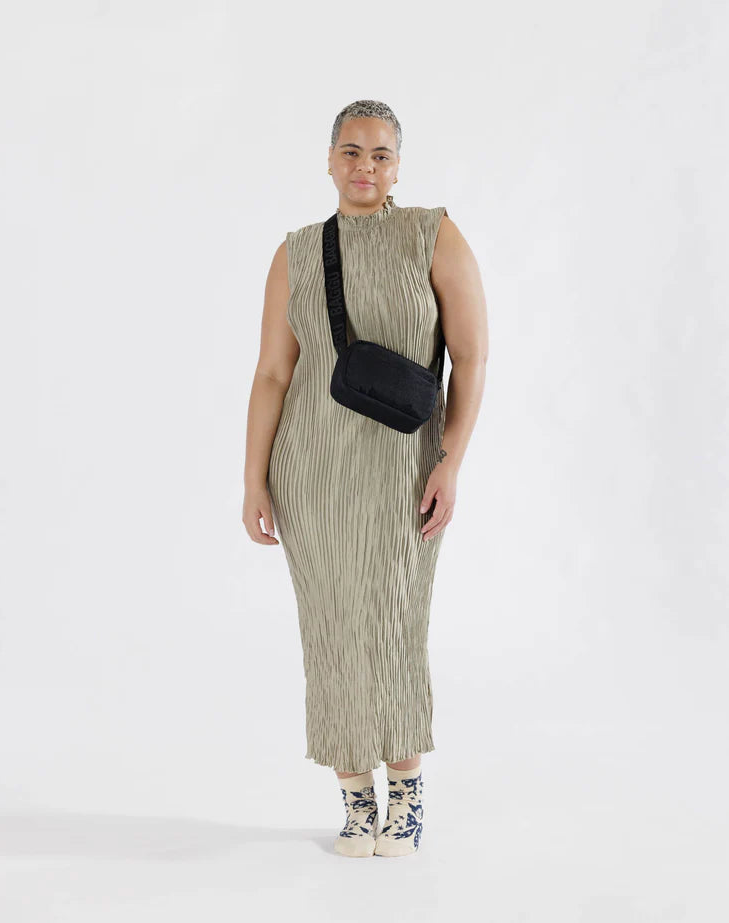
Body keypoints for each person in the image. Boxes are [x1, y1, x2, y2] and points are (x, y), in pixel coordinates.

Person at [243, 99, 488, 857]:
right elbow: (273, 372)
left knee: (393, 621)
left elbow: (471, 356)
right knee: (330, 627)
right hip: (310, 467)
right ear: (328, 160)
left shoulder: (432, 235)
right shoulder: (296, 252)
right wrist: (253, 480)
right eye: (351, 152)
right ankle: (355, 797)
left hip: (403, 469)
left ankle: (405, 792)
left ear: (398, 166)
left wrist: (450, 459)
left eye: (380, 155)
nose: (364, 167)